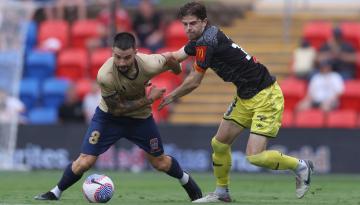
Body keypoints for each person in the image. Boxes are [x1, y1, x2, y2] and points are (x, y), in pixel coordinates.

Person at [158, 2, 314, 203]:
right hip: (245, 96)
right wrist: (146, 65)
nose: (188, 28)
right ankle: (222, 192)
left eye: (193, 23)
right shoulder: (200, 40)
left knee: (255, 157)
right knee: (219, 143)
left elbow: (194, 81)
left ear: (204, 22)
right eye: (185, 24)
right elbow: (175, 57)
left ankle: (301, 166)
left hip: (266, 95)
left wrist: (171, 96)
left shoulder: (207, 42)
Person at [34, 32, 202, 201]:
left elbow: (174, 57)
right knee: (85, 161)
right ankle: (55, 192)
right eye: (118, 57)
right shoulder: (105, 75)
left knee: (160, 163)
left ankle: (187, 182)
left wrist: (176, 68)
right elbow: (119, 110)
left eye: (127, 58)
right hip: (109, 117)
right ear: (112, 53)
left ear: (136, 53)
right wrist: (150, 98)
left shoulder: (149, 63)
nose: (122, 62)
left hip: (140, 119)